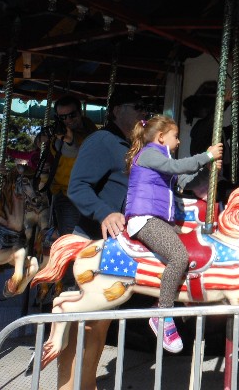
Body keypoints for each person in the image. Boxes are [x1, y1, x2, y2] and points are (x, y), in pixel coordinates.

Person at [59, 88, 147, 390]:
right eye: (136, 106)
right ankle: (67, 385)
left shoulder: (132, 146)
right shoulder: (102, 141)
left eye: (144, 107)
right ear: (116, 111)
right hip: (92, 239)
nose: (142, 112)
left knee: (101, 324)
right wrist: (105, 212)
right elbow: (78, 186)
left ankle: (86, 384)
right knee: (80, 322)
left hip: (116, 244)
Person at [124, 115, 222, 353]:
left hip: (158, 219)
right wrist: (207, 155)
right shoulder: (149, 154)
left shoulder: (162, 159)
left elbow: (183, 179)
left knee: (196, 240)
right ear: (160, 137)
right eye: (175, 137)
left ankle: (185, 294)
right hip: (144, 219)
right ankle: (162, 313)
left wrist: (207, 168)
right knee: (179, 256)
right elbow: (176, 168)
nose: (178, 142)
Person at [46, 95, 99, 236]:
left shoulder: (92, 131)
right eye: (63, 117)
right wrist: (68, 141)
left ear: (80, 112)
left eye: (72, 115)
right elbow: (69, 150)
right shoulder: (59, 136)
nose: (68, 120)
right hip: (67, 194)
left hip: (91, 193)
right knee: (72, 240)